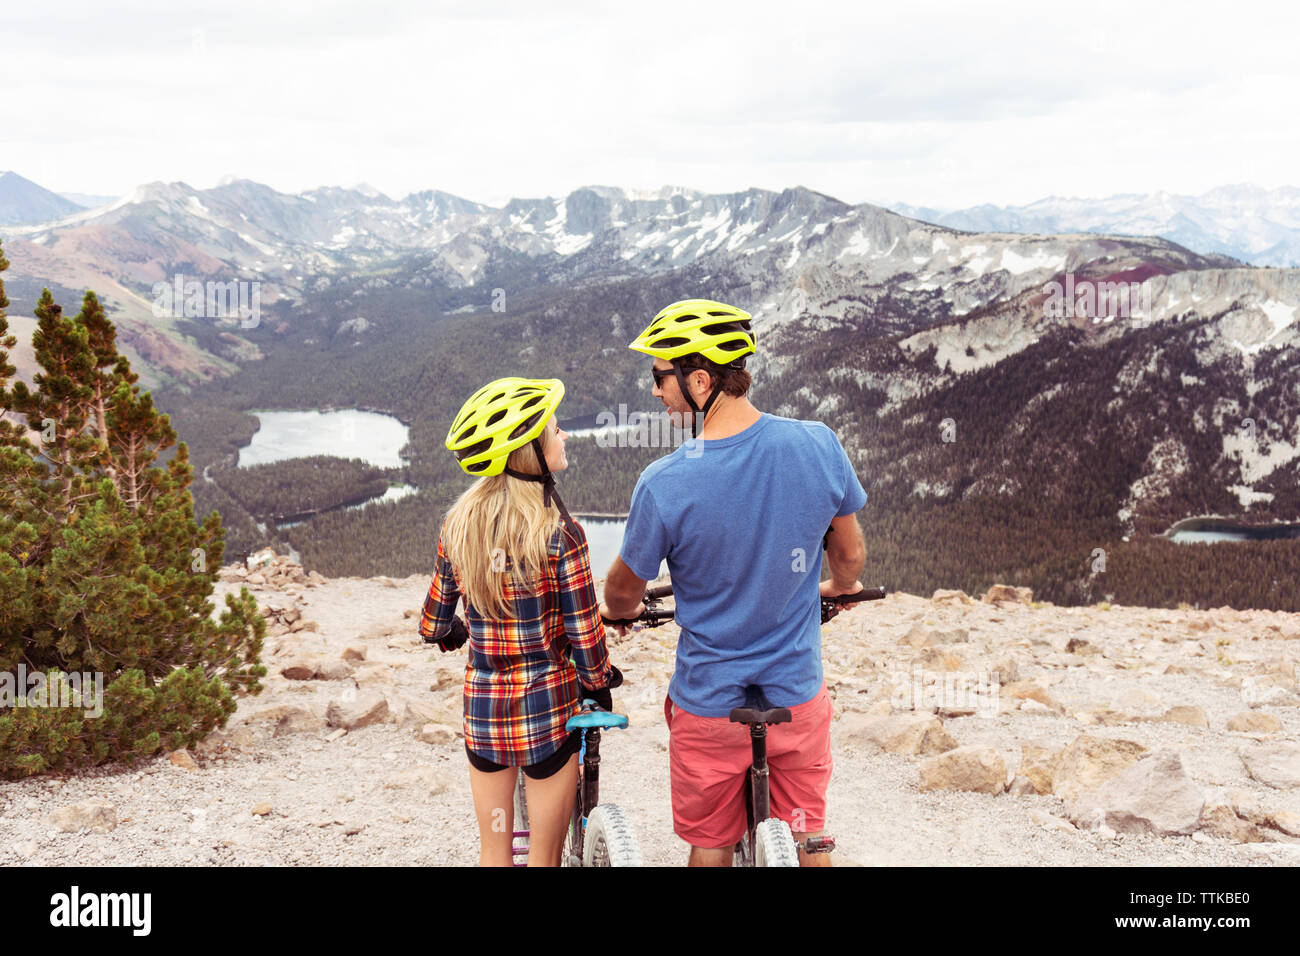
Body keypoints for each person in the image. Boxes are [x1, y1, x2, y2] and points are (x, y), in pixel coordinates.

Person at [600, 299, 867, 867]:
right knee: (806, 837)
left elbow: (622, 594)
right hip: (796, 697)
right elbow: (849, 557)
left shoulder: (665, 481)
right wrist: (839, 589)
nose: (654, 392)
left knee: (712, 843)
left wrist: (621, 613)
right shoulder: (818, 443)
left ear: (700, 380)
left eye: (659, 377)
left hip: (710, 706)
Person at [420, 376, 620, 867]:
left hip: (484, 716)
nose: (564, 435)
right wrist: (599, 681)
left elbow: (432, 623)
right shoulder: (561, 535)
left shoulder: (457, 526)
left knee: (495, 849)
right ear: (528, 451)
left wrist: (455, 634)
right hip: (547, 715)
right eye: (554, 429)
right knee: (545, 857)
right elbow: (584, 634)